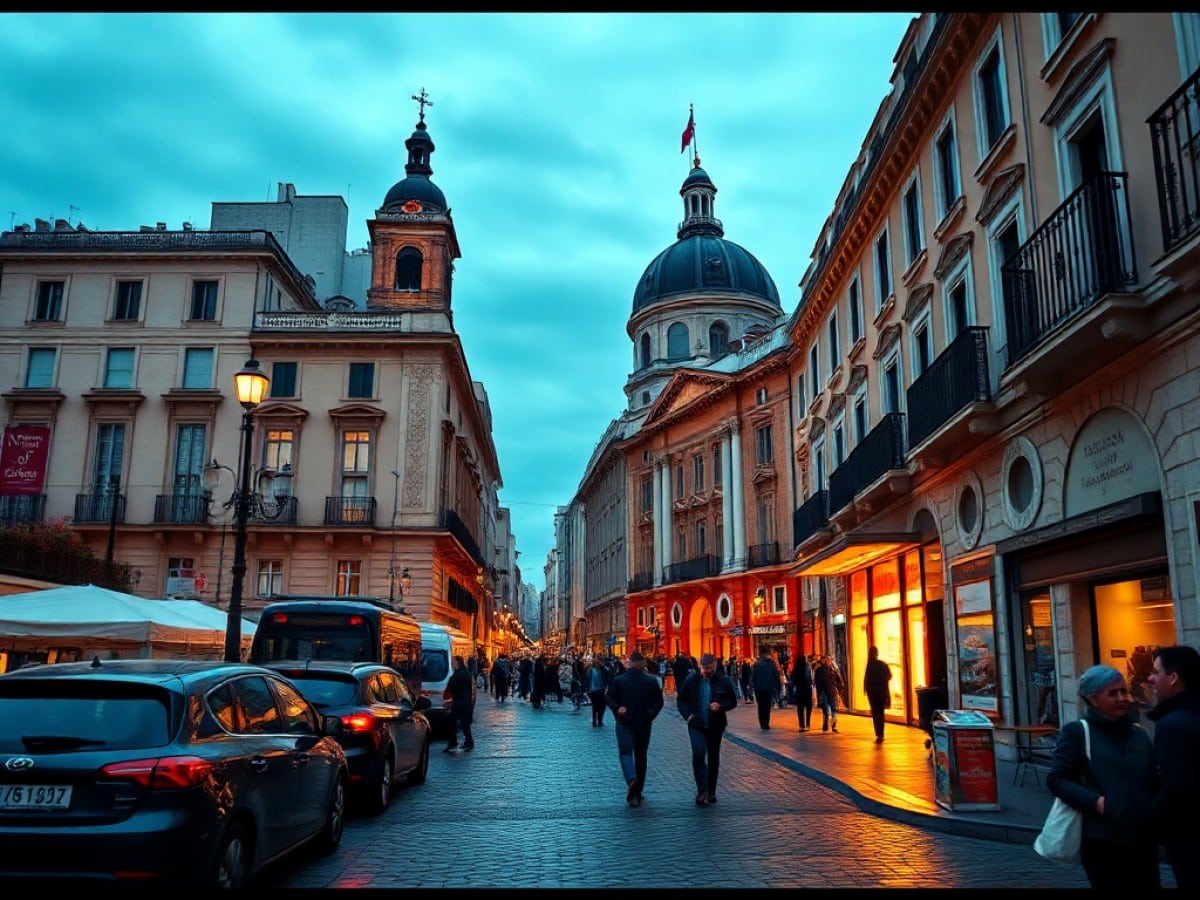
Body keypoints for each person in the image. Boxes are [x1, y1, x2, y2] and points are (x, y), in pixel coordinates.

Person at [1045, 664, 1159, 889]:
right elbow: (1057, 779)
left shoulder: (1139, 733)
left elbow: (1152, 777)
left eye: (1124, 691)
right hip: (1102, 837)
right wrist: (1095, 802)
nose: (1122, 698)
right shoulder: (1077, 732)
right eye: (1113, 693)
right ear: (1094, 699)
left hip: (1141, 835)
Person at [1147, 645, 1200, 888]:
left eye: (1155, 672)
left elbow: (1175, 787)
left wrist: (1145, 818)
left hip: (1190, 838)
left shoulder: (1173, 725)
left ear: (1173, 678)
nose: (1150, 678)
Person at [677, 651, 738, 806]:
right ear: (700, 666)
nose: (708, 671)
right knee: (698, 754)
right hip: (696, 723)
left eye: (710, 668)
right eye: (705, 668)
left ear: (715, 666)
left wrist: (721, 706)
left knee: (713, 757)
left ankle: (711, 791)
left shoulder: (723, 681)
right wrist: (688, 716)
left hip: (715, 724)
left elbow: (732, 701)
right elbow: (681, 700)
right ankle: (702, 790)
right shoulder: (692, 680)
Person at [606, 650, 664, 807]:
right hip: (644, 723)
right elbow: (658, 702)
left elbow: (610, 698)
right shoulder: (651, 681)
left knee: (625, 752)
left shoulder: (620, 680)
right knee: (641, 756)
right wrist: (650, 715)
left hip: (624, 721)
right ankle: (637, 791)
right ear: (643, 664)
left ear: (630, 663)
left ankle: (632, 779)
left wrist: (617, 708)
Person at [442, 654, 476, 753]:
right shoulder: (464, 672)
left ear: (457, 662)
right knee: (463, 723)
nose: (452, 663)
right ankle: (464, 742)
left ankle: (460, 743)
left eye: (453, 661)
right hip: (463, 701)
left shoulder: (460, 674)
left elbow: (452, 687)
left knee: (456, 722)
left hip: (460, 701)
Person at [864, 645, 893, 744]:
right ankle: (881, 733)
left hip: (872, 694)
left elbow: (867, 680)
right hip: (882, 692)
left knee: (875, 714)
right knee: (880, 713)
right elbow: (889, 676)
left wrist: (867, 689)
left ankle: (878, 734)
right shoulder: (882, 664)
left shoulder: (869, 665)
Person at [750, 647, 783, 730]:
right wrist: (778, 685)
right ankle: (766, 723)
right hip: (768, 688)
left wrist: (752, 685)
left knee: (760, 706)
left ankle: (762, 723)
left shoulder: (756, 665)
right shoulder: (771, 664)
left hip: (758, 688)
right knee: (767, 706)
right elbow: (776, 675)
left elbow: (752, 677)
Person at [813, 655, 843, 733]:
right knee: (827, 710)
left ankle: (833, 725)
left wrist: (838, 688)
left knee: (833, 709)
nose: (828, 661)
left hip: (832, 692)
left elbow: (839, 680)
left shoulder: (833, 670)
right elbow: (817, 682)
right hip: (824, 692)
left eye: (829, 660)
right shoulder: (820, 670)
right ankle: (827, 724)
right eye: (826, 660)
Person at [789, 653, 814, 732]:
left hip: (799, 690)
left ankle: (801, 726)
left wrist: (794, 687)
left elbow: (792, 679)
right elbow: (809, 679)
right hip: (807, 690)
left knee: (800, 708)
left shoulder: (795, 669)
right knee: (808, 709)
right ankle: (808, 725)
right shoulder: (807, 667)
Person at [586, 656, 612, 726]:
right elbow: (587, 680)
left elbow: (607, 674)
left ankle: (599, 721)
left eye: (597, 663)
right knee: (595, 707)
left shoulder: (602, 670)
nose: (597, 664)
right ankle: (594, 721)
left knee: (601, 707)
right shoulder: (590, 670)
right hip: (593, 691)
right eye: (595, 663)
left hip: (601, 690)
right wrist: (588, 689)